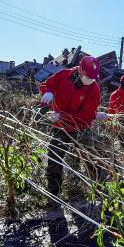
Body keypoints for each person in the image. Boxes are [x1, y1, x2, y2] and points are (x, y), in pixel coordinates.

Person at [40, 56, 102, 209]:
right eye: (89, 77)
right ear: (80, 71)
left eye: (94, 78)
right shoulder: (64, 75)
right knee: (54, 157)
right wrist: (48, 92)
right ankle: (53, 197)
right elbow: (49, 84)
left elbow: (86, 116)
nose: (91, 80)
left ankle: (100, 193)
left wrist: (62, 116)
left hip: (80, 128)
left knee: (90, 159)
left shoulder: (94, 89)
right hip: (60, 126)